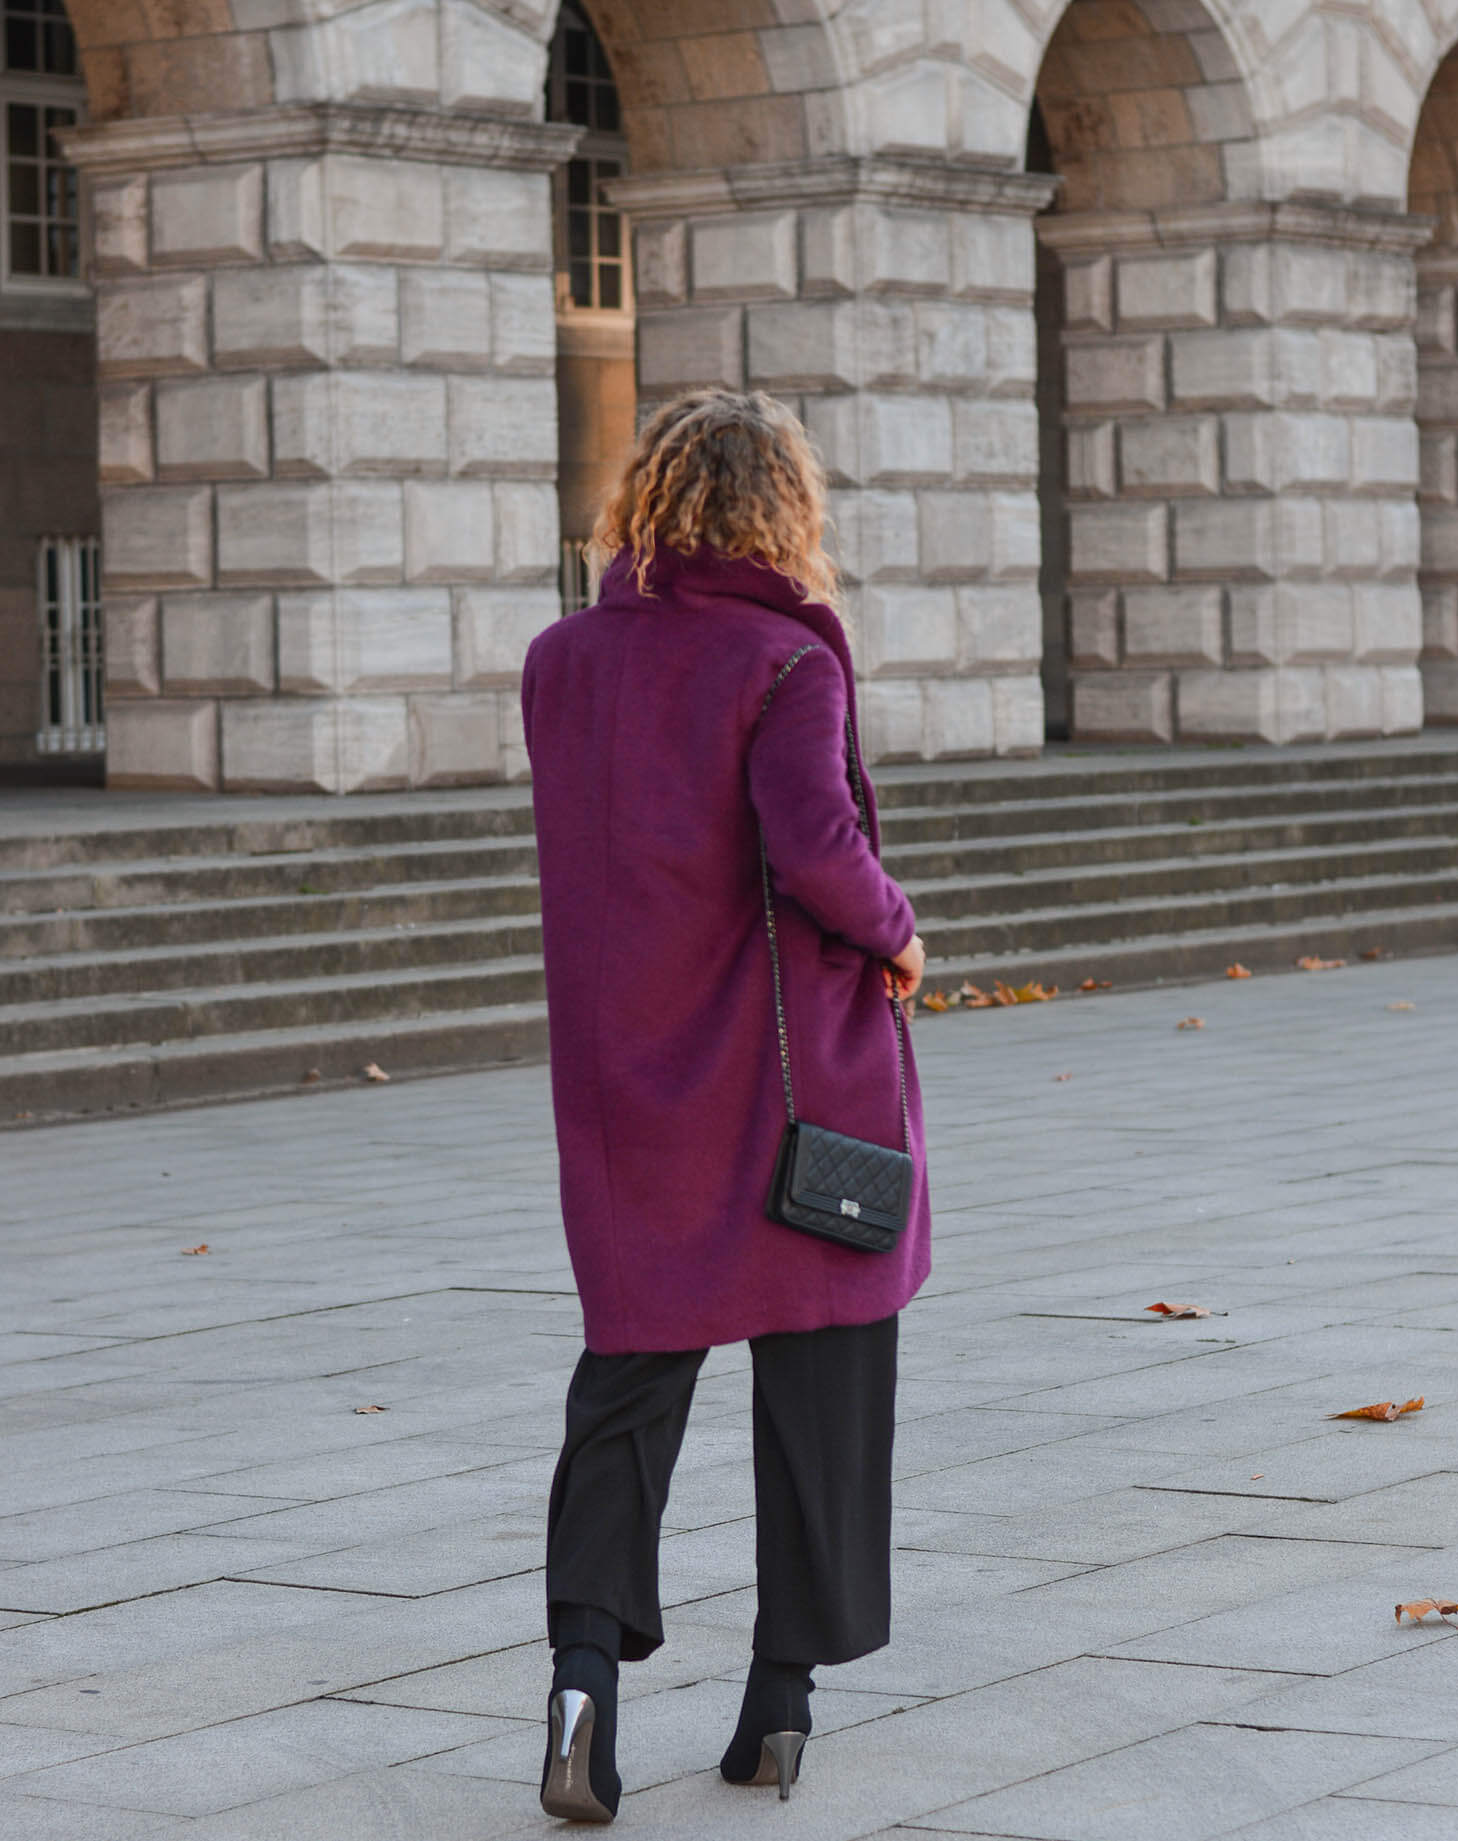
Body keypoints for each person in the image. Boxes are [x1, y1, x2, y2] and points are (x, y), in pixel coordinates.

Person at [521, 388, 930, 1823]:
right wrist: (897, 926)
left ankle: (582, 1684)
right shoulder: (782, 658)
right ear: (782, 511)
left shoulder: (562, 661)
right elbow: (813, 847)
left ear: (650, 501)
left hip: (629, 1081)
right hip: (790, 1074)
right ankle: (779, 1703)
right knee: (826, 1361)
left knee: (628, 1378)